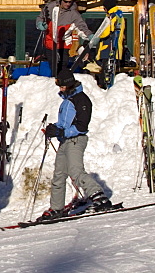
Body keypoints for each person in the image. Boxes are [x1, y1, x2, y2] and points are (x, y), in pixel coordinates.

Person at [39, 70, 111, 220]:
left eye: (61, 86)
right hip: (65, 141)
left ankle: (99, 197)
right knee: (58, 175)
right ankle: (56, 208)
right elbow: (64, 124)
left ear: (68, 85)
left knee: (76, 171)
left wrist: (62, 132)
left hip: (76, 140)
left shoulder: (81, 100)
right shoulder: (66, 101)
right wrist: (54, 129)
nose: (60, 89)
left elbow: (81, 126)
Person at [39, 0, 91, 75]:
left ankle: (62, 82)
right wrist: (40, 24)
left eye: (70, 2)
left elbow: (81, 26)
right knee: (54, 66)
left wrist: (89, 35)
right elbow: (40, 17)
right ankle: (55, 81)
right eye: (65, 1)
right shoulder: (50, 8)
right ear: (60, 0)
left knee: (63, 65)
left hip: (64, 43)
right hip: (50, 42)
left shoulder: (73, 13)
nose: (68, 4)